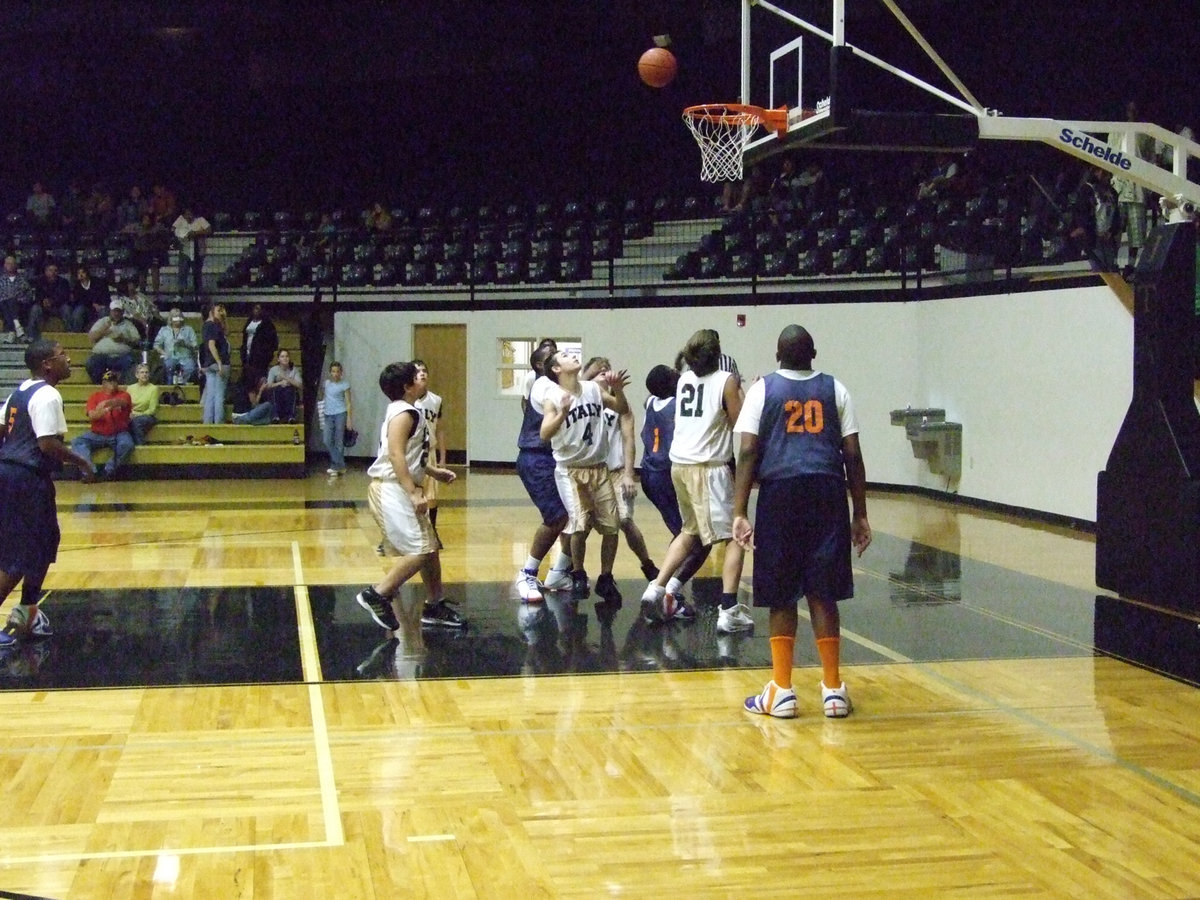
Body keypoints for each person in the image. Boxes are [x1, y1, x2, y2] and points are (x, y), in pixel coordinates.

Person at [733, 325, 872, 719]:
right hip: (827, 493)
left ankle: (782, 690)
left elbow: (747, 453)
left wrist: (740, 510)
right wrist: (859, 512)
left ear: (777, 355)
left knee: (781, 591)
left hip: (780, 493)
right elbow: (853, 456)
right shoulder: (836, 389)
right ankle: (832, 690)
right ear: (814, 353)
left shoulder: (762, 390)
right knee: (822, 590)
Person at [640, 329, 743, 624]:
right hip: (707, 468)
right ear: (718, 353)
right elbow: (741, 423)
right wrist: (749, 392)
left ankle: (658, 588)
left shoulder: (684, 380)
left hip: (679, 467)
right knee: (735, 535)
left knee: (689, 533)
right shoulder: (726, 381)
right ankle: (729, 610)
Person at [0, 339, 95, 647]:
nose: (68, 358)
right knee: (18, 555)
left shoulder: (20, 391)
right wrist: (82, 461)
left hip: (20, 477)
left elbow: (2, 429)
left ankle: (27, 610)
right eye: (62, 355)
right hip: (25, 479)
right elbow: (47, 445)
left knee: (45, 542)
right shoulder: (47, 394)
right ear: (47, 365)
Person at [356, 362, 458, 639]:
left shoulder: (409, 410)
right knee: (420, 551)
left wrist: (433, 470)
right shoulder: (404, 413)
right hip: (392, 488)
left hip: (400, 484)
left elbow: (412, 454)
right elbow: (397, 455)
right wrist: (413, 491)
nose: (423, 378)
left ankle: (435, 605)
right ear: (407, 386)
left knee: (430, 547)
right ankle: (377, 594)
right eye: (416, 376)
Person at [540, 349, 631, 601]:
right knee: (578, 525)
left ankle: (605, 578)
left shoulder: (592, 389)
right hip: (571, 470)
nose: (573, 355)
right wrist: (562, 414)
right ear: (556, 369)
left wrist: (618, 389)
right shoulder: (554, 396)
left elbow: (622, 408)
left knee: (612, 527)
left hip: (598, 467)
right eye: (565, 356)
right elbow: (544, 434)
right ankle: (578, 574)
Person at [581, 356, 658, 605]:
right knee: (579, 526)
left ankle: (639, 567)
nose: (604, 374)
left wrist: (628, 473)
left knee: (622, 520)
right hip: (587, 471)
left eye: (606, 370)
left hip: (614, 472)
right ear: (588, 378)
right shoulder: (581, 400)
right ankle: (568, 571)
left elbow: (628, 440)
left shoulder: (620, 405)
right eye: (598, 372)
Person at [639, 363, 713, 610]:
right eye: (675, 373)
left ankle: (668, 588)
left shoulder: (650, 403)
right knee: (696, 539)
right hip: (666, 474)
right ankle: (668, 591)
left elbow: (654, 393)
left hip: (649, 473)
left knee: (685, 535)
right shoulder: (678, 405)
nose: (679, 374)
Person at [514, 342, 575, 603]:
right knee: (557, 517)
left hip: (556, 458)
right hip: (536, 458)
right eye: (554, 354)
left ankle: (559, 571)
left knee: (578, 518)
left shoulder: (560, 385)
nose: (560, 353)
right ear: (544, 366)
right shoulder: (544, 386)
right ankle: (527, 572)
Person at [70, 370, 135, 481]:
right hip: (97, 433)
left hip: (119, 432)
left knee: (127, 444)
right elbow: (92, 415)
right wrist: (104, 411)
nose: (112, 384)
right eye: (109, 382)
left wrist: (106, 404)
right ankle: (90, 472)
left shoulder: (124, 395)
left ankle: (108, 471)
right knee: (77, 441)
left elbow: (122, 402)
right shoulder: (94, 397)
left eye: (114, 381)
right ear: (103, 383)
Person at [85, 299, 140, 384]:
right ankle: (99, 384)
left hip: (121, 356)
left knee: (131, 363)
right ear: (110, 311)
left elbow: (137, 340)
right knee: (91, 362)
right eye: (114, 311)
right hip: (102, 356)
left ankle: (121, 385)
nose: (116, 313)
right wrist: (103, 331)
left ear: (122, 312)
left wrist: (124, 339)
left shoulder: (128, 324)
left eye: (119, 311)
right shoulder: (103, 321)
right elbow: (91, 338)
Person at [199, 302, 230, 425]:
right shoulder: (212, 325)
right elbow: (211, 345)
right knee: (219, 396)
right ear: (211, 312)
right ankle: (218, 423)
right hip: (218, 363)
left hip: (209, 364)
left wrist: (224, 318)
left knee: (210, 395)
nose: (221, 313)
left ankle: (207, 422)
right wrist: (219, 363)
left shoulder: (208, 325)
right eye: (219, 311)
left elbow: (227, 332)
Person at [153, 307, 198, 385]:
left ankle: (185, 385)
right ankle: (169, 386)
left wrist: (185, 344)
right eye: (176, 317)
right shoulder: (164, 330)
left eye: (180, 317)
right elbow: (156, 345)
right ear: (171, 319)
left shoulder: (189, 330)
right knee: (168, 366)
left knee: (190, 368)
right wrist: (163, 353)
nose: (178, 320)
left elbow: (195, 345)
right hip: (169, 356)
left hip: (185, 357)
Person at [321, 361, 352, 475]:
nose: (335, 374)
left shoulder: (345, 384)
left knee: (339, 441)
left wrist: (349, 418)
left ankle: (335, 466)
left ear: (341, 372)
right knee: (327, 440)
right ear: (330, 372)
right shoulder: (327, 383)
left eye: (338, 371)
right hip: (328, 414)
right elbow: (323, 397)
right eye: (333, 371)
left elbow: (348, 402)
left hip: (340, 413)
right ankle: (340, 465)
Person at [172, 206, 212, 295]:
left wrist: (196, 233)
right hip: (185, 250)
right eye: (186, 214)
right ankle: (181, 292)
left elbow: (209, 230)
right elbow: (173, 229)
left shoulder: (200, 220)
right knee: (182, 272)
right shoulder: (180, 219)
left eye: (190, 214)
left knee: (197, 272)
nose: (188, 216)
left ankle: (198, 292)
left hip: (198, 251)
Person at [241, 303, 278, 389]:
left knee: (259, 379)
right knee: (248, 381)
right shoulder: (249, 322)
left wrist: (266, 355)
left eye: (258, 309)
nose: (256, 311)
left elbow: (273, 342)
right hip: (247, 357)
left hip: (260, 358)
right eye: (255, 308)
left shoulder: (267, 324)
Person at [31, 263, 71, 342]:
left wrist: (52, 301)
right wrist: (43, 301)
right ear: (46, 272)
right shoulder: (40, 282)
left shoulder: (63, 282)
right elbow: (37, 297)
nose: (53, 273)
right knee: (35, 309)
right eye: (50, 270)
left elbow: (65, 297)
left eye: (55, 271)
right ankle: (32, 336)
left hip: (58, 306)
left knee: (66, 309)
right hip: (43, 307)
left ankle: (69, 334)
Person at [1, 256, 35, 345]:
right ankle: (18, 327)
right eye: (8, 263)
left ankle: (12, 332)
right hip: (2, 306)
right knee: (6, 302)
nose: (10, 266)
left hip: (20, 306)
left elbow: (29, 295)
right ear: (4, 265)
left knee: (12, 302)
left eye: (12, 263)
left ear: (15, 265)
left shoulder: (22, 280)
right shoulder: (0, 280)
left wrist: (17, 300)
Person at [263, 349, 302, 423]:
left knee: (290, 389)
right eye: (282, 356)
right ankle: (275, 416)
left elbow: (300, 385)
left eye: (287, 356)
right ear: (278, 359)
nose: (285, 358)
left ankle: (291, 417)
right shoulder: (274, 370)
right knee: (276, 390)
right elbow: (268, 385)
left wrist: (286, 379)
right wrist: (280, 383)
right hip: (277, 395)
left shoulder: (294, 370)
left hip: (290, 394)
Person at [127, 363, 159, 445]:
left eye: (146, 372)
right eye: (142, 372)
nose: (144, 374)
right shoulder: (130, 388)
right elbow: (127, 405)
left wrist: (137, 414)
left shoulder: (153, 389)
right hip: (132, 414)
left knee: (136, 422)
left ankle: (140, 445)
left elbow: (152, 410)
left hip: (147, 416)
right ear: (137, 375)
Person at [72, 265, 110, 331]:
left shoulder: (98, 282)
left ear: (87, 273)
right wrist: (92, 304)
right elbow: (78, 300)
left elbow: (105, 296)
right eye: (79, 273)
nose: (81, 275)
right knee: (78, 311)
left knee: (104, 311)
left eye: (83, 272)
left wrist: (101, 305)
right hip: (86, 309)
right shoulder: (76, 287)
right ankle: (76, 333)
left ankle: (101, 334)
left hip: (100, 307)